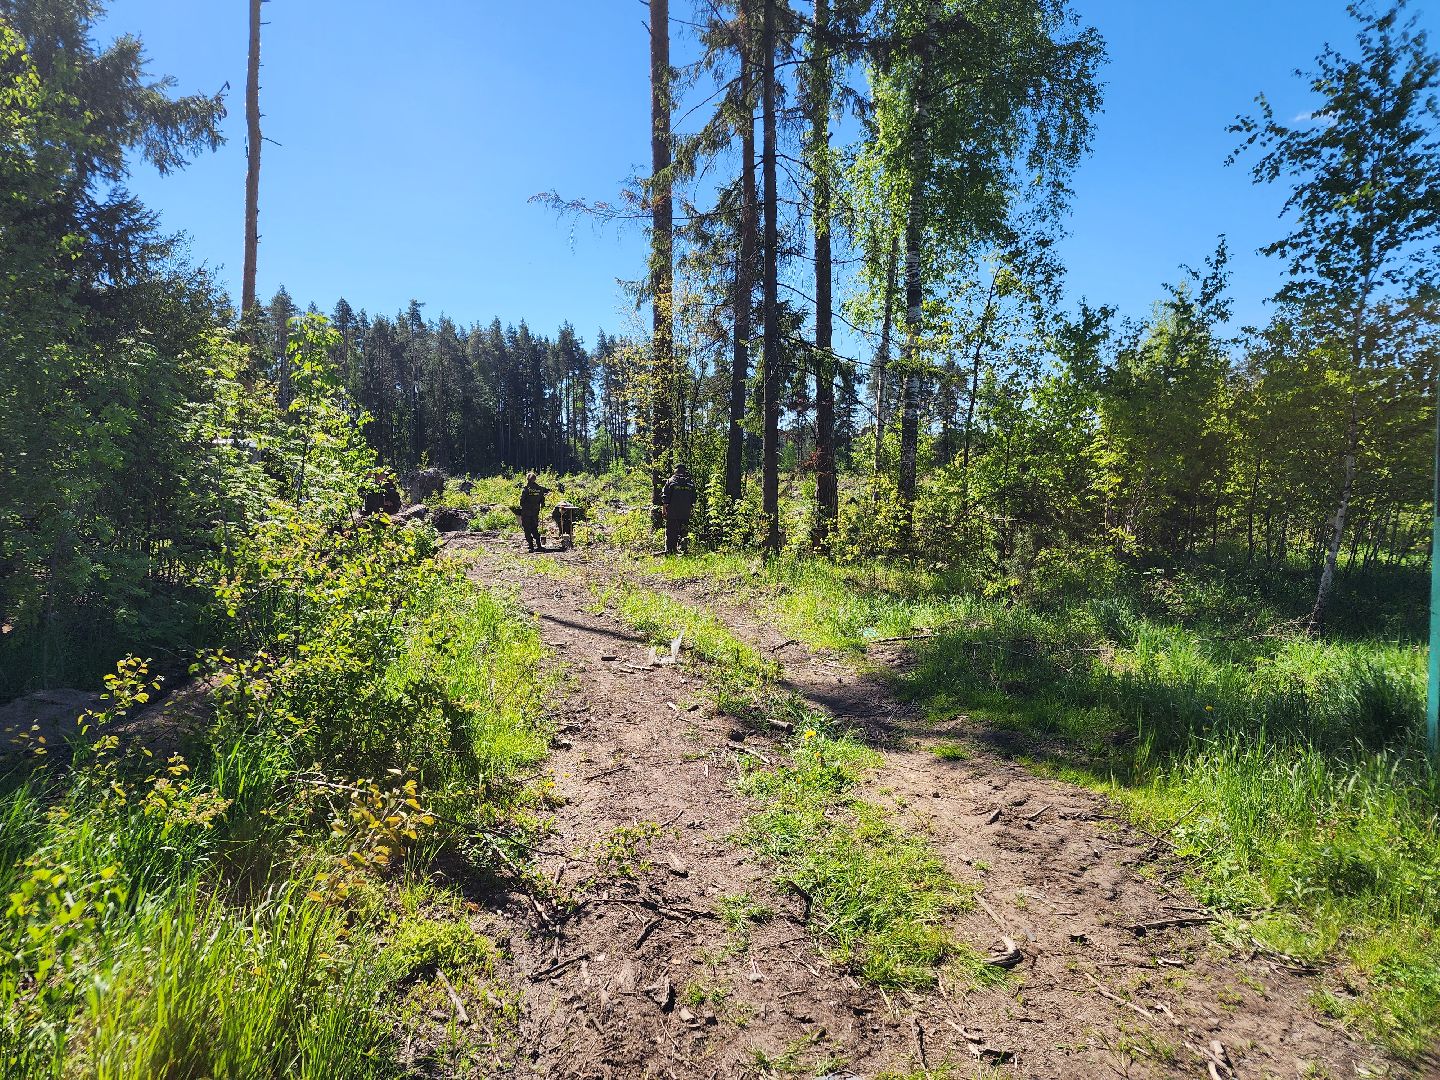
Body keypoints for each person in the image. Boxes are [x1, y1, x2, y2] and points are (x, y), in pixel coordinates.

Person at [661, 464, 696, 555]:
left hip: (673, 513)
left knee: (671, 532)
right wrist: (691, 510)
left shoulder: (671, 481)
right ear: (684, 471)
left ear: (675, 470)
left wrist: (664, 509)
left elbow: (665, 497)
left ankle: (671, 551)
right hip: (685, 512)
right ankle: (684, 550)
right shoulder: (690, 483)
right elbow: (693, 499)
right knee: (684, 532)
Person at [517, 472, 549, 552]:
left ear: (527, 479)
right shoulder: (540, 489)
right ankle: (539, 545)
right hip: (535, 512)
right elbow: (543, 501)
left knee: (527, 529)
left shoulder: (526, 489)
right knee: (534, 528)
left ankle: (531, 546)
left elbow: (521, 501)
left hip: (526, 513)